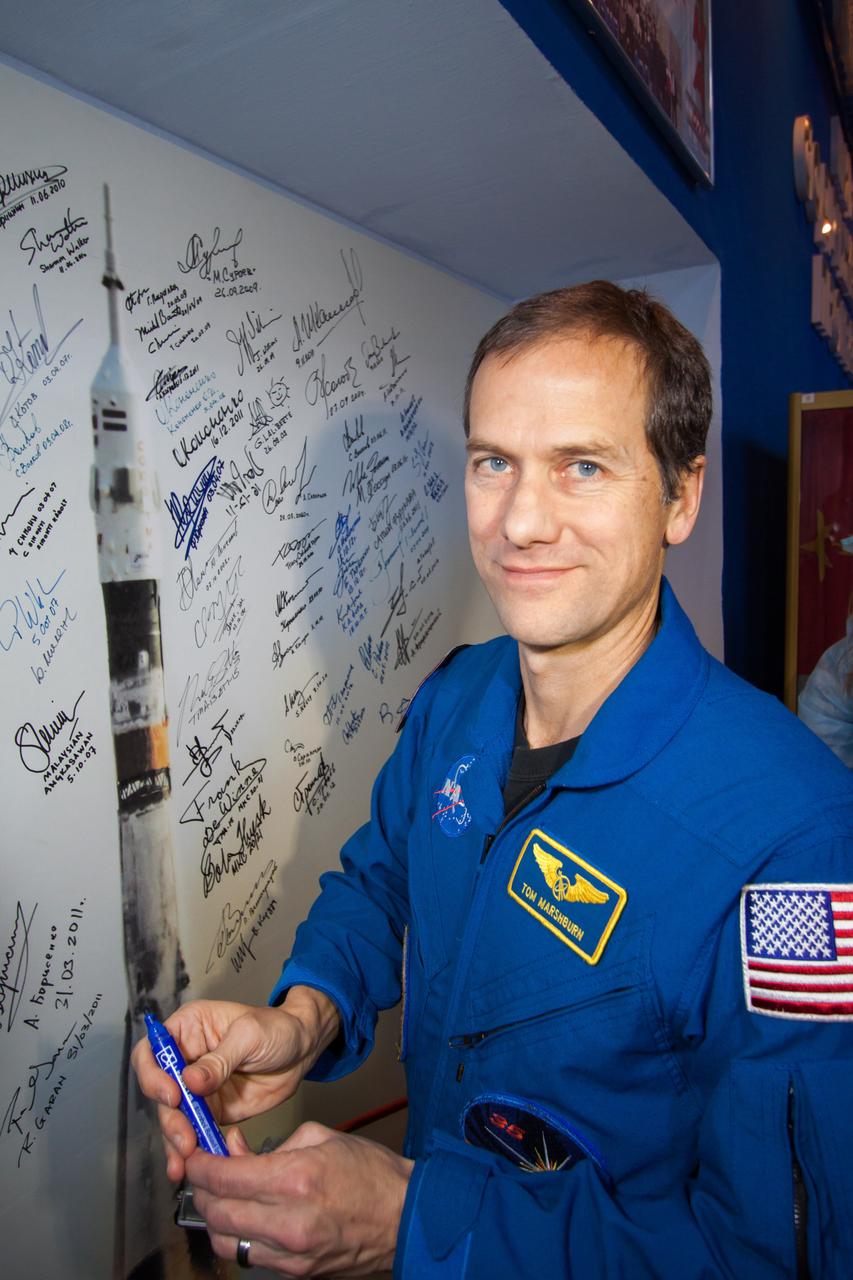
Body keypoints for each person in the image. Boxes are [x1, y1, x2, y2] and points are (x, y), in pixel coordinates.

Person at [133, 281, 853, 1278]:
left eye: (582, 466)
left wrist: (416, 1221)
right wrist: (304, 1018)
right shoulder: (458, 695)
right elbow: (381, 879)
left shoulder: (798, 830)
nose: (519, 521)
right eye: (492, 463)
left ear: (679, 496)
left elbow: (770, 1255)